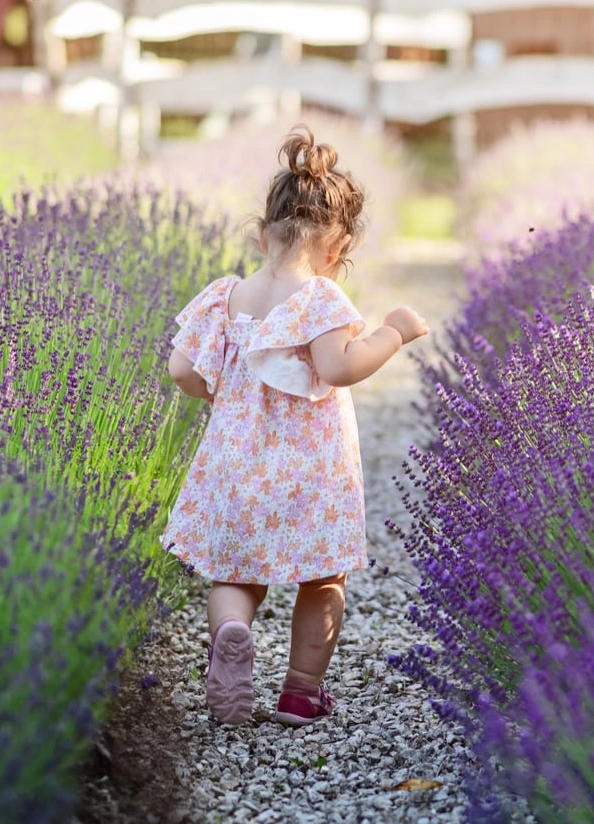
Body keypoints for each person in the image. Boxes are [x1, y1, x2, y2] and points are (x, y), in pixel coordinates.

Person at [161, 125, 429, 727]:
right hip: (313, 471)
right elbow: (339, 367)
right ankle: (301, 692)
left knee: (236, 574)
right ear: (337, 249)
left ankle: (230, 634)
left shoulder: (227, 297)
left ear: (262, 235)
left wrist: (221, 393)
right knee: (324, 578)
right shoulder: (322, 300)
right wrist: (393, 333)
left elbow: (182, 369)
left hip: (237, 464)